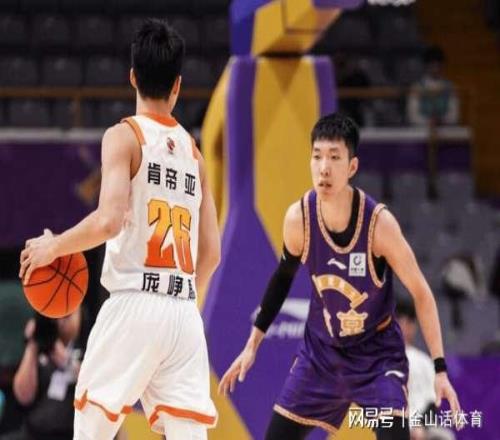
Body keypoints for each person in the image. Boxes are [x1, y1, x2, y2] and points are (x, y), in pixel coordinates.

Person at [19, 19, 220, 440]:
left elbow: (109, 220)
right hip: (184, 310)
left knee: (90, 426)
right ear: (178, 85)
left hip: (134, 302)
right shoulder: (195, 154)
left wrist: (54, 247)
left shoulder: (123, 137)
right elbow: (212, 254)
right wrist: (183, 306)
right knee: (187, 434)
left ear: (132, 76)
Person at [219, 113, 461, 440]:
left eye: (334, 157)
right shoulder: (299, 219)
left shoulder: (379, 225)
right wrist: (252, 346)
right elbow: (281, 280)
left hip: (376, 356)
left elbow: (421, 293)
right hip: (322, 354)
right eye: (317, 156)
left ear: (352, 167)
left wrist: (440, 370)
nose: (324, 168)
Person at [2, 310, 87, 440]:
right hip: (33, 431)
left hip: (70, 433)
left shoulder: (88, 347)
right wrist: (32, 345)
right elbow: (23, 397)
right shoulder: (41, 343)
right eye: (57, 317)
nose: (61, 322)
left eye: (67, 316)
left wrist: (67, 363)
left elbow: (96, 386)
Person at [407, 46, 459, 126]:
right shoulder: (417, 87)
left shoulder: (450, 87)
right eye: (432, 65)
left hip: (445, 130)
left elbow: (454, 115)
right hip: (421, 131)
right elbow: (413, 116)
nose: (436, 69)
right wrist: (428, 122)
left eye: (438, 65)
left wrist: (442, 121)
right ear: (426, 65)